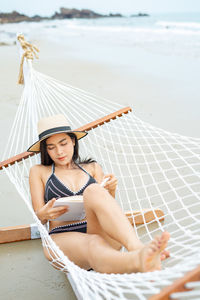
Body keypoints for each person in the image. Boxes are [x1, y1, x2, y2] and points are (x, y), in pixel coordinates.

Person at [28, 114, 170, 274]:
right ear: (46, 150)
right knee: (94, 242)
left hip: (99, 231)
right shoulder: (39, 171)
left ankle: (137, 249)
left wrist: (111, 190)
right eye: (51, 147)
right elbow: (39, 216)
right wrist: (45, 213)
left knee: (94, 190)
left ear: (73, 141)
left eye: (63, 143)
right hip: (62, 238)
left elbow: (107, 209)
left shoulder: (93, 168)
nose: (59, 151)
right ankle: (139, 261)